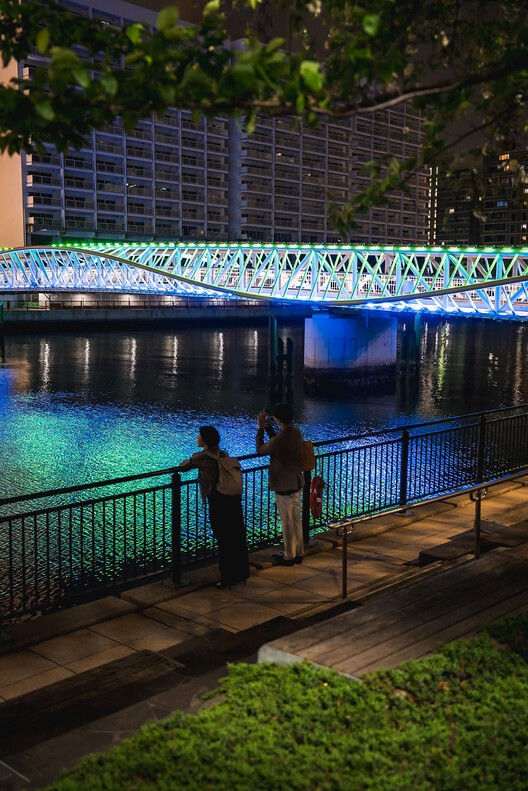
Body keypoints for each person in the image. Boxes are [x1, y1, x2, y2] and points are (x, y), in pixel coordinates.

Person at [179, 425, 250, 589]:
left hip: (218, 501)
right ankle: (241, 573)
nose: (197, 438)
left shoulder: (201, 457)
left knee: (223, 539)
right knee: (237, 537)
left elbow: (182, 467)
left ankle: (227, 578)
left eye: (199, 436)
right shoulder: (223, 453)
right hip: (233, 499)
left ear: (204, 440)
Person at [256, 402, 304, 566]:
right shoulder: (296, 432)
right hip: (297, 481)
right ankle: (298, 552)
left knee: (287, 522)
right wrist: (268, 428)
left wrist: (260, 428)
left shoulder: (280, 440)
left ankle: (288, 556)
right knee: (296, 520)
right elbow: (277, 441)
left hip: (283, 484)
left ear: (278, 419)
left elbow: (260, 449)